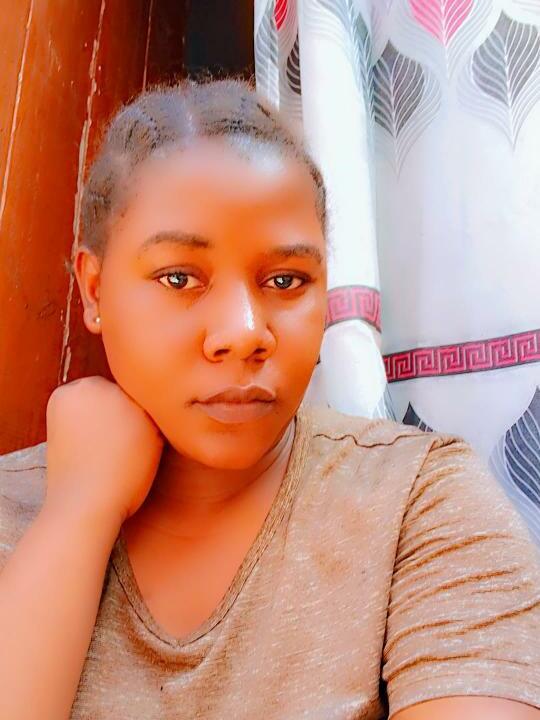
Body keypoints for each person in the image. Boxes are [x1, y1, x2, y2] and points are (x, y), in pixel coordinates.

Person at [0, 77, 539, 720]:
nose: (244, 332)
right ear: (94, 290)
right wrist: (77, 511)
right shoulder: (12, 513)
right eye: (179, 277)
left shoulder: (418, 504)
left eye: (285, 280)